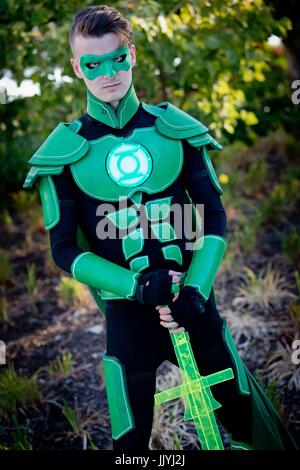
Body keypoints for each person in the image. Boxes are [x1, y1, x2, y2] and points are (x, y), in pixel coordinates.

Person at [23, 4, 296, 451]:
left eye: (116, 58)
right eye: (92, 64)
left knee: (249, 427)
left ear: (131, 54)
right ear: (77, 67)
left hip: (193, 305)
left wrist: (195, 291)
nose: (107, 73)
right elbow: (64, 250)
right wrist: (136, 287)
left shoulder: (175, 129)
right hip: (129, 317)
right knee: (130, 448)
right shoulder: (63, 152)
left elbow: (213, 216)